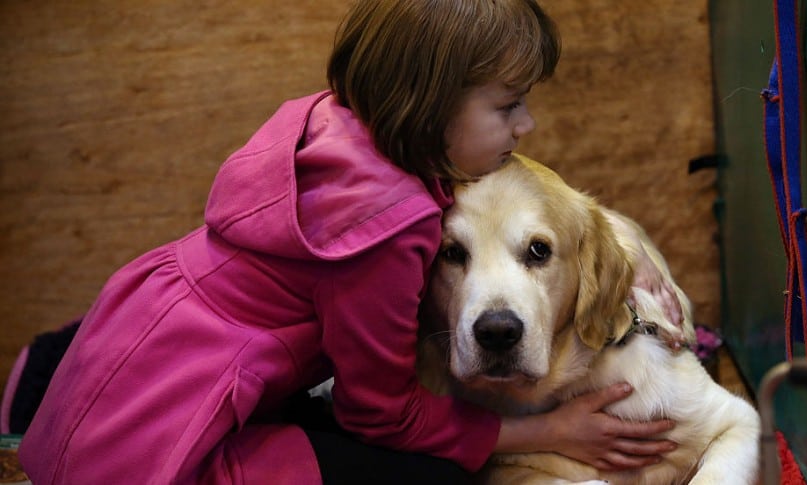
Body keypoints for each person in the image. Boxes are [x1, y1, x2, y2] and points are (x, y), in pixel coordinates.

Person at [19, 1, 681, 483]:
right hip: (162, 457)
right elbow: (383, 417)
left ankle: (36, 370)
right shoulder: (388, 228)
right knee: (437, 476)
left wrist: (619, 240)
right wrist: (548, 430)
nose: (526, 123)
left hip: (120, 364)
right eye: (508, 106)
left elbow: (531, 196)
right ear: (432, 109)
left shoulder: (333, 119)